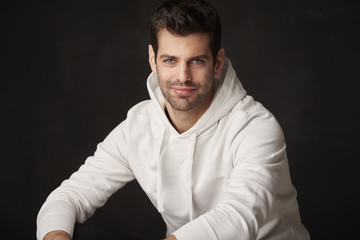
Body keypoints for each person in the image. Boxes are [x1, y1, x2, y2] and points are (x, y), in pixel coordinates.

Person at [37, 0, 310, 239]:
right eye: (170, 60)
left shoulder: (256, 127)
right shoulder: (138, 126)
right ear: (152, 60)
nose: (183, 76)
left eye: (197, 61)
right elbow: (70, 195)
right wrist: (55, 236)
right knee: (76, 234)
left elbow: (238, 218)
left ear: (217, 63)